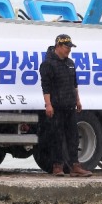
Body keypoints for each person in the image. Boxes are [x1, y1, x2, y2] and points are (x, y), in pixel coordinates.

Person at [39, 34, 92, 178]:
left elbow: (74, 84)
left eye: (70, 47)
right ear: (58, 46)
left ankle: (75, 166)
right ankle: (58, 166)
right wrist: (48, 104)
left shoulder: (70, 63)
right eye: (66, 47)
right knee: (57, 137)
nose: (69, 50)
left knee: (73, 137)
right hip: (56, 107)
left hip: (70, 106)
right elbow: (46, 86)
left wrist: (78, 100)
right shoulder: (48, 64)